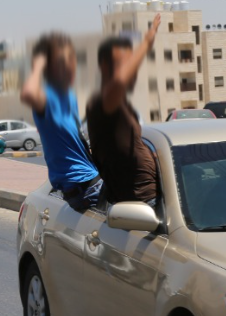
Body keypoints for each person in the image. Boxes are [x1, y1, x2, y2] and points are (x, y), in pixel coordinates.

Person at [20, 32, 102, 211]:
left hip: (93, 181)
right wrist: (38, 65)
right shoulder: (46, 97)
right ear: (49, 67)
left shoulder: (68, 96)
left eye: (72, 59)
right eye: (63, 62)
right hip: (85, 190)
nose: (71, 66)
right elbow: (27, 93)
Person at [86, 14, 162, 206]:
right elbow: (119, 81)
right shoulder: (101, 102)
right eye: (126, 65)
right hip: (139, 205)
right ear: (104, 66)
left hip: (149, 201)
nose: (133, 71)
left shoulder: (121, 105)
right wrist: (147, 40)